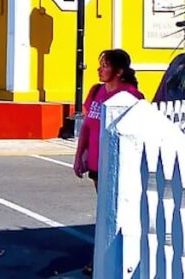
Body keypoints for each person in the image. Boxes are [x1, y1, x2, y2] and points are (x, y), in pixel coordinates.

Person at [74, 48, 144, 275]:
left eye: (105, 65)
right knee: (104, 211)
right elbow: (86, 126)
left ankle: (105, 261)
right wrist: (79, 156)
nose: (99, 69)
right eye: (100, 64)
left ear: (119, 70)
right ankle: (100, 259)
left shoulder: (132, 96)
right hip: (96, 164)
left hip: (119, 166)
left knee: (115, 213)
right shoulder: (96, 92)